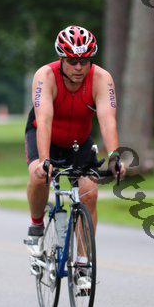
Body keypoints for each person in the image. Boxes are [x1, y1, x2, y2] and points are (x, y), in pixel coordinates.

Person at [24, 25, 126, 289]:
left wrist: (114, 156)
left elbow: (107, 120)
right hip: (44, 136)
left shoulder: (101, 78)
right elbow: (44, 120)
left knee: (89, 192)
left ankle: (82, 263)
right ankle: (36, 226)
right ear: (61, 58)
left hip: (78, 142)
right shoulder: (45, 76)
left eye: (84, 60)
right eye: (72, 61)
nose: (79, 67)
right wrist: (44, 160)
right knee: (38, 175)